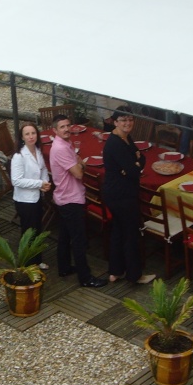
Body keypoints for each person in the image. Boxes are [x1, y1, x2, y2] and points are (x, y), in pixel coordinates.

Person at [49, 114, 107, 288]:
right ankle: (85, 277)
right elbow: (79, 172)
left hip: (64, 197)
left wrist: (78, 163)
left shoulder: (64, 144)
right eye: (62, 127)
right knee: (79, 240)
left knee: (65, 235)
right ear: (55, 130)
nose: (66, 129)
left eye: (68, 125)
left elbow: (79, 162)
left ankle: (64, 267)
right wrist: (79, 164)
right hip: (71, 199)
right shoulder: (60, 148)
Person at [102, 107, 156, 285]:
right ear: (115, 122)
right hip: (122, 195)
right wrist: (134, 164)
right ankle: (135, 275)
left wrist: (135, 163)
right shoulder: (116, 143)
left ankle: (115, 271)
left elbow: (142, 160)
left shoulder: (125, 137)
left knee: (118, 231)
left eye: (130, 119)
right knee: (131, 234)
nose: (128, 123)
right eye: (123, 120)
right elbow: (134, 170)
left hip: (117, 192)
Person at [11, 123, 51, 270]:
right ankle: (27, 264)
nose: (31, 136)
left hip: (37, 197)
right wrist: (39, 183)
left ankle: (37, 259)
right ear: (22, 137)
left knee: (37, 229)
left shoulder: (38, 151)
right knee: (28, 233)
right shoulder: (19, 156)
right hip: (24, 200)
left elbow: (43, 168)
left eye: (33, 133)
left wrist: (45, 181)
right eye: (27, 134)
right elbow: (16, 180)